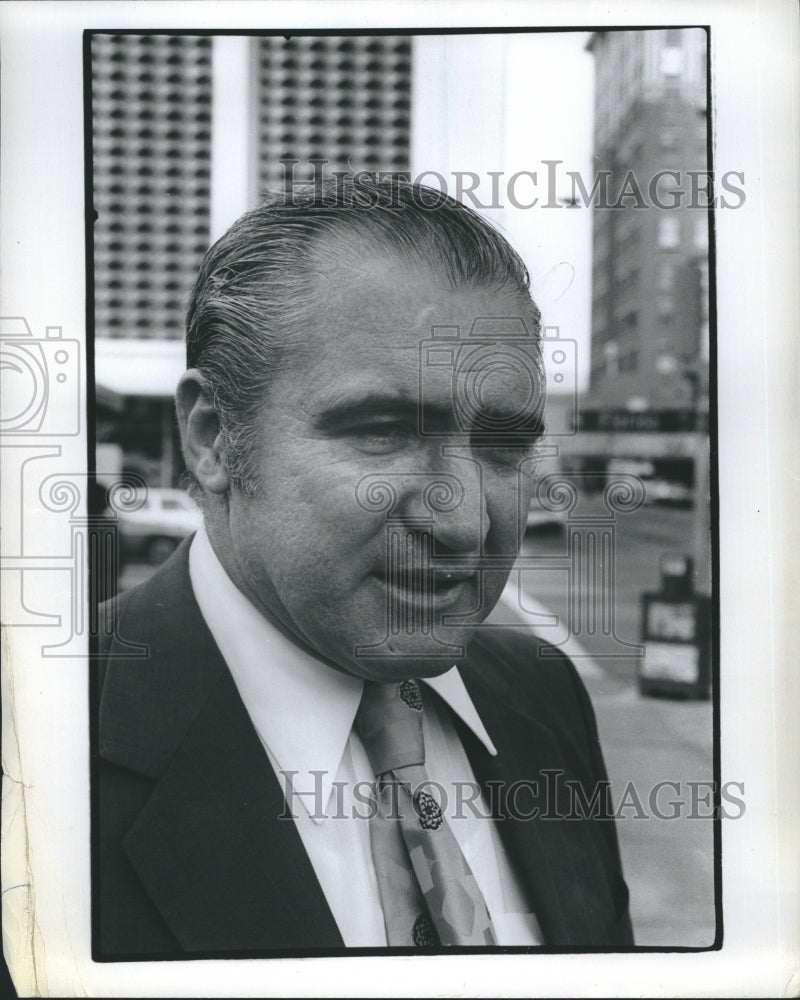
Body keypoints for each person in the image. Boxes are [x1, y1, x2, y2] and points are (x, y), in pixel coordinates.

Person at [94, 177, 633, 957]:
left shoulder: (543, 693)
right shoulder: (42, 738)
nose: (464, 521)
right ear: (213, 439)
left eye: (504, 446)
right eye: (383, 431)